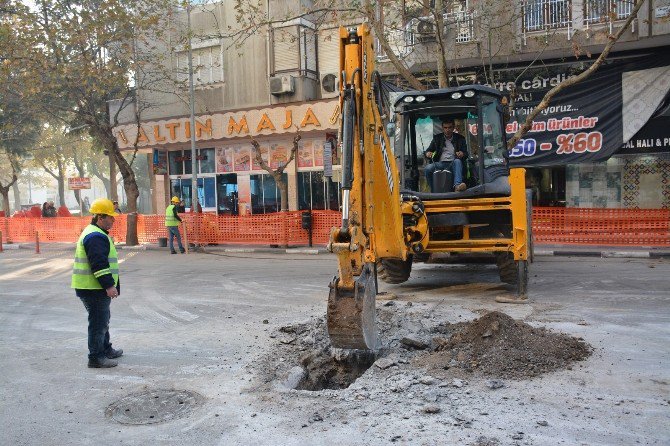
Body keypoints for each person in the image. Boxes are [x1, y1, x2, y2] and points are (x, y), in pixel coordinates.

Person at [71, 198, 123, 368]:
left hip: (92, 287)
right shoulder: (95, 236)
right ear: (100, 217)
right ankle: (96, 357)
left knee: (103, 319)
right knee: (98, 323)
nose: (113, 220)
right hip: (93, 288)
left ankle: (105, 349)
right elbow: (99, 264)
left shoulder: (95, 232)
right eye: (110, 217)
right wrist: (109, 286)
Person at [424, 118, 469, 192]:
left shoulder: (460, 138)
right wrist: (428, 153)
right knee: (428, 168)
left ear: (453, 127)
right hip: (440, 164)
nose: (447, 130)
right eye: (445, 128)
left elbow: (466, 154)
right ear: (442, 128)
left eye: (449, 127)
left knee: (457, 161)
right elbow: (428, 151)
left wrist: (462, 154)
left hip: (453, 163)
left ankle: (457, 186)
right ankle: (433, 190)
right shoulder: (437, 138)